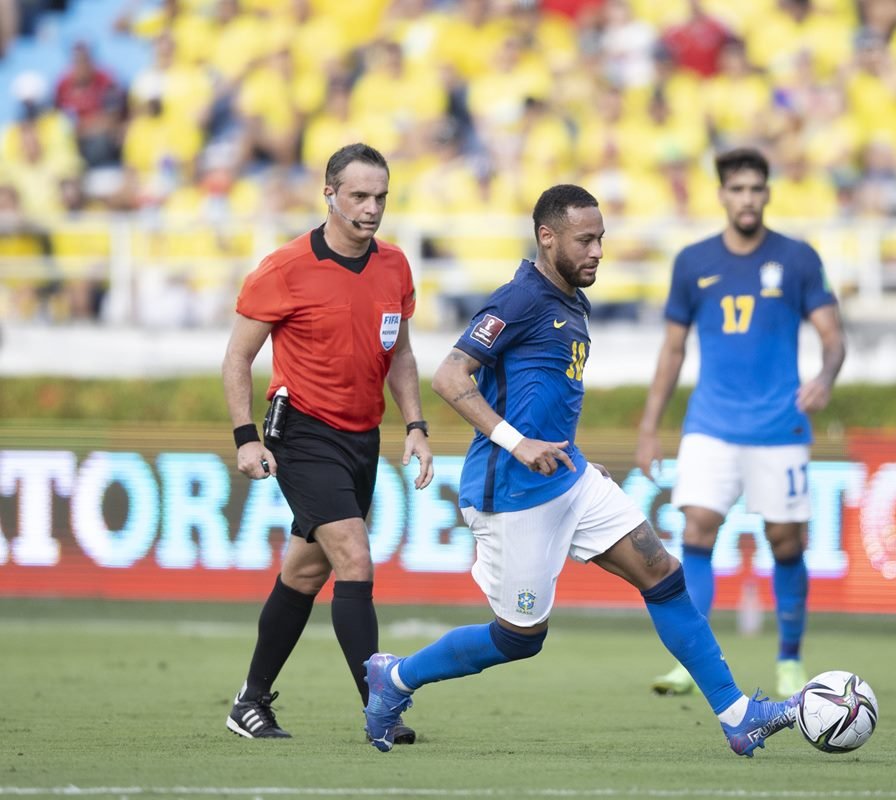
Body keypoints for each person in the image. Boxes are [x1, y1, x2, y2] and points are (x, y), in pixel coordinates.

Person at [362, 184, 802, 757]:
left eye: (601, 239)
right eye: (585, 240)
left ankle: (738, 715)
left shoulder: (571, 299)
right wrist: (518, 443)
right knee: (520, 639)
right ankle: (394, 679)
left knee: (663, 574)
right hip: (512, 494)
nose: (597, 251)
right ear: (547, 238)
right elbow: (449, 377)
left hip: (570, 479)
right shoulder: (518, 298)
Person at [221, 142, 434, 742]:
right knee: (355, 559)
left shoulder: (394, 265)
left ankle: (250, 701)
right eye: (359, 196)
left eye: (380, 198)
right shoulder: (284, 267)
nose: (371, 209)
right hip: (304, 433)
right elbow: (238, 357)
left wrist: (416, 425)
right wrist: (245, 438)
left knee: (304, 574)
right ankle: (378, 706)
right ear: (330, 194)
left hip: (362, 440)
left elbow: (403, 355)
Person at [635, 147, 846, 699]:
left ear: (768, 193)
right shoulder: (692, 261)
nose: (747, 199)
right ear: (722, 195)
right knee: (697, 529)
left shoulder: (798, 259)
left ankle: (790, 659)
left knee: (785, 541)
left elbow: (832, 335)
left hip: (780, 425)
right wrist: (650, 425)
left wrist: (826, 375)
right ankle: (693, 661)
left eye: (756, 189)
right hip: (710, 422)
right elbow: (673, 349)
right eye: (737, 189)